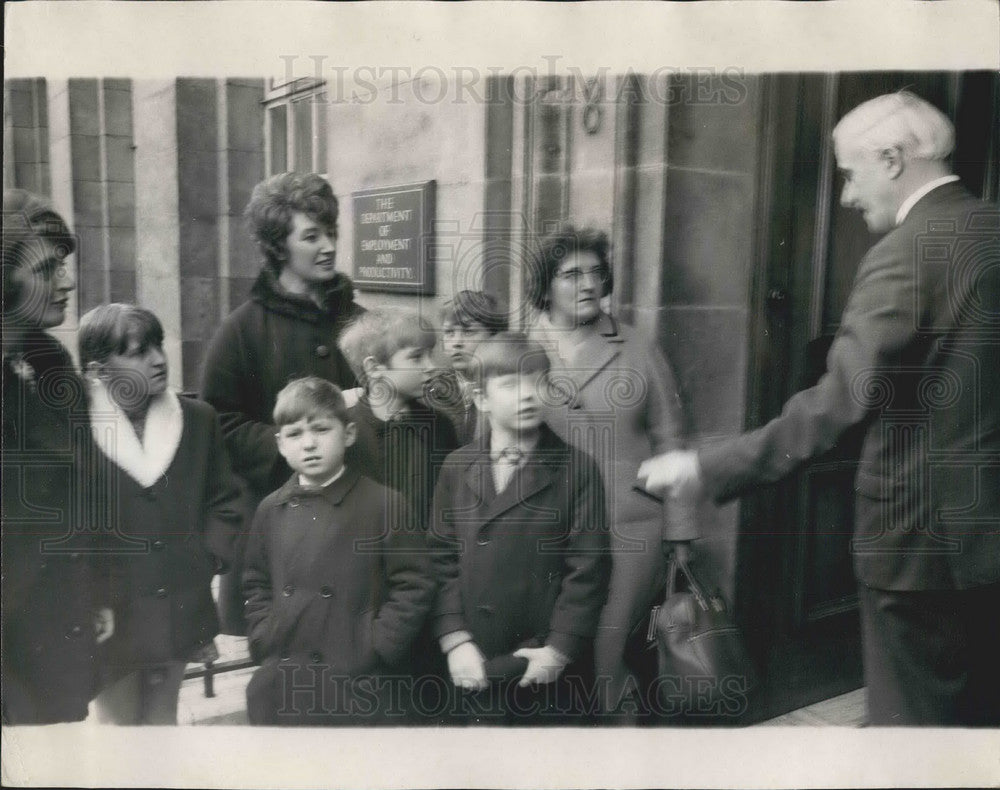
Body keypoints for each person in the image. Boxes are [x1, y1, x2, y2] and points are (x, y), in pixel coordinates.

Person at [639, 91, 1000, 726]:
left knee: (913, 737)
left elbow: (842, 402)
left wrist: (708, 466)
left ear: (891, 159)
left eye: (850, 174)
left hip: (919, 549)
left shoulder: (905, 255)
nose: (846, 198)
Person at [525, 225, 697, 718]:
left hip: (629, 528)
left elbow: (671, 438)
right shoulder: (522, 348)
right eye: (571, 274)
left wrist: (680, 529)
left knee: (606, 651)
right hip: (547, 528)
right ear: (544, 283)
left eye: (596, 273)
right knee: (553, 653)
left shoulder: (638, 347)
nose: (587, 285)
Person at [200, 172, 365, 634]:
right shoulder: (241, 332)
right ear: (278, 247)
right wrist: (298, 444)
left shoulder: (361, 322)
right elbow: (220, 424)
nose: (328, 246)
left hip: (355, 523)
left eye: (331, 232)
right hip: (278, 531)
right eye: (311, 236)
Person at [428, 333, 611, 724]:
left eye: (538, 382)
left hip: (543, 664)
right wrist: (455, 640)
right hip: (475, 660)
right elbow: (440, 558)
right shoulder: (457, 468)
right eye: (510, 385)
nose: (528, 395)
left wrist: (560, 650)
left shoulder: (577, 470)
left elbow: (588, 571)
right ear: (481, 399)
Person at [80, 303, 242, 724]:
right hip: (110, 611)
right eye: (137, 352)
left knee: (161, 720)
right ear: (98, 370)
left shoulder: (197, 419)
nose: (158, 359)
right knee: (117, 728)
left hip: (178, 604)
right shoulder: (73, 429)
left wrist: (206, 556)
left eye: (158, 345)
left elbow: (225, 500)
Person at [242, 377, 435, 725]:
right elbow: (256, 582)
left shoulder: (384, 504)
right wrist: (265, 636)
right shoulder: (271, 509)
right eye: (295, 434)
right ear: (280, 444)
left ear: (347, 434)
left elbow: (414, 584)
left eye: (321, 429)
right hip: (288, 675)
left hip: (358, 681)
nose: (309, 444)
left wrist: (377, 646)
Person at [2, 189, 114, 724]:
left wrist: (95, 590)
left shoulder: (49, 358)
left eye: (64, 265)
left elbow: (84, 485)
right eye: (48, 268)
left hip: (58, 626)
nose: (67, 281)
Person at [337, 308, 460, 524]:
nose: (431, 367)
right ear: (374, 367)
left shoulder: (440, 428)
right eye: (416, 357)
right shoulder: (346, 433)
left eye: (430, 355)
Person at [428, 289, 509, 444]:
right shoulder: (433, 392)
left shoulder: (509, 388)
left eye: (468, 331)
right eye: (449, 332)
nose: (457, 342)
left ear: (494, 336)